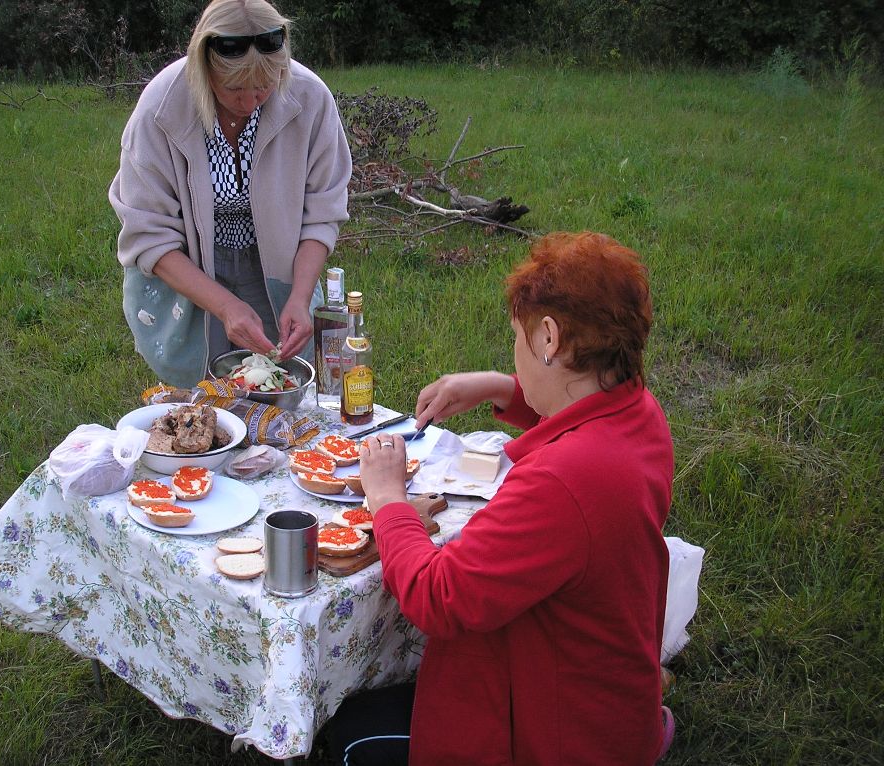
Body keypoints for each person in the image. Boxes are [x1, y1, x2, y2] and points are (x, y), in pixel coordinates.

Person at [332, 231, 675, 765]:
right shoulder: (640, 414)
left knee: (348, 732)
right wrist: (501, 387)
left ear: (549, 338)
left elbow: (439, 597)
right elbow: (577, 418)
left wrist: (387, 500)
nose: (517, 351)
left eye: (518, 337)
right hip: (609, 700)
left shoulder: (560, 481)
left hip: (556, 737)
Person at [109, 0, 352, 387]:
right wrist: (224, 306)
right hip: (188, 268)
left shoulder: (310, 99)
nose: (250, 100)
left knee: (277, 380)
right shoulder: (160, 109)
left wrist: (300, 298)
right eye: (235, 88)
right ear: (204, 68)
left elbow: (322, 212)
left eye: (265, 86)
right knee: (204, 392)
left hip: (275, 264)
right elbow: (149, 235)